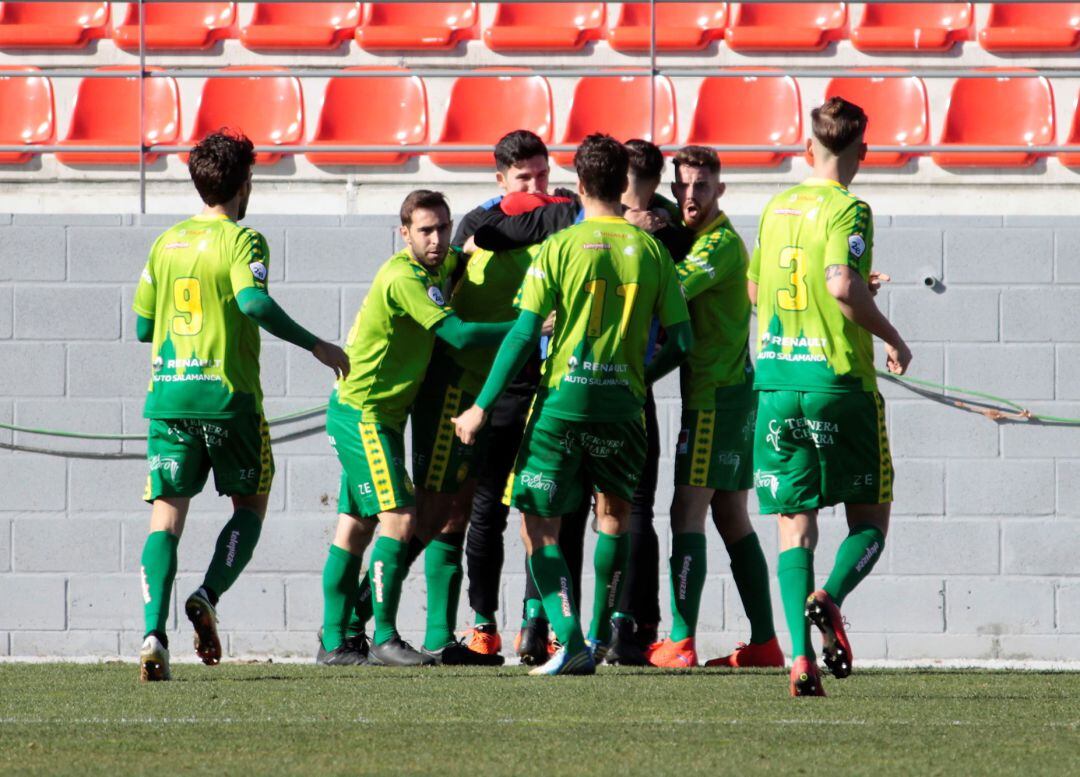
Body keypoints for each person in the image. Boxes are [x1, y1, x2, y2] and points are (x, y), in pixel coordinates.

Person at [453, 134, 693, 675]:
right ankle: (605, 633)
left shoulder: (560, 246)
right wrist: (636, 378)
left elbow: (519, 337)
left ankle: (571, 637)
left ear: (579, 185)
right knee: (615, 518)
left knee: (537, 526)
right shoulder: (651, 249)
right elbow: (681, 342)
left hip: (561, 405)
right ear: (623, 184)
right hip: (624, 408)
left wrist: (481, 407)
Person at [132, 130, 350, 682]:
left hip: (169, 398)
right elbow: (252, 300)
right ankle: (208, 594)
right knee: (249, 508)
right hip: (228, 401)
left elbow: (141, 327)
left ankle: (152, 634)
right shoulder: (243, 239)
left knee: (167, 517)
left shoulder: (165, 243)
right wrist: (317, 345)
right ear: (245, 183)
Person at [748, 97, 912, 696]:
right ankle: (830, 597)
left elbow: (755, 289)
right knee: (870, 522)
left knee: (795, 526)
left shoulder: (775, 206)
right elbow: (840, 283)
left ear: (805, 148)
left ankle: (798, 659)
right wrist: (891, 335)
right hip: (837, 385)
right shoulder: (851, 208)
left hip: (775, 385)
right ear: (861, 152)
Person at [317, 190, 513, 666]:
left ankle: (334, 641)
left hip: (376, 415)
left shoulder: (438, 265)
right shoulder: (404, 276)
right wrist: (529, 326)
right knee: (401, 519)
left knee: (355, 528)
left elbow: (461, 256)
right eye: (426, 230)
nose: (438, 238)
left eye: (444, 227)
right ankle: (383, 637)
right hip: (364, 413)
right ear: (403, 233)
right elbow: (459, 334)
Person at [646, 146, 783, 670]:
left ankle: (680, 641)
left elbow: (669, 290)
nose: (690, 196)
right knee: (730, 514)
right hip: (730, 391)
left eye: (701, 186)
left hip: (715, 397)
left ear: (719, 190)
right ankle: (766, 642)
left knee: (687, 510)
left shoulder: (719, 245)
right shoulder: (700, 239)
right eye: (681, 187)